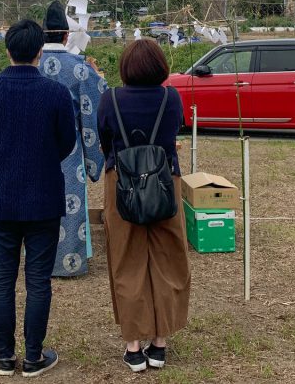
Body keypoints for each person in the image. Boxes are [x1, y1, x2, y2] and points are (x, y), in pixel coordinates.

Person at [0, 19, 77, 378]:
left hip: (0, 197)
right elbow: (67, 143)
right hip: (44, 198)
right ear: (39, 51)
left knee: (2, 279)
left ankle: (4, 357)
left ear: (8, 50)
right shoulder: (56, 93)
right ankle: (33, 357)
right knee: (38, 281)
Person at [96, 38, 191, 372]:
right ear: (160, 66)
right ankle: (160, 344)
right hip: (166, 181)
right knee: (169, 258)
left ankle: (134, 346)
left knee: (127, 260)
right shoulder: (171, 97)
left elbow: (104, 139)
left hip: (122, 184)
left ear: (125, 68)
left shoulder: (109, 99)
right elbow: (174, 130)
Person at [39, 0, 108, 277]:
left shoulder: (30, 64)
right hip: (69, 148)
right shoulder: (79, 68)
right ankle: (69, 263)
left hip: (34, 150)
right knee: (70, 204)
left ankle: (38, 262)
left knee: (38, 204)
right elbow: (97, 105)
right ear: (66, 36)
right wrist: (94, 158)